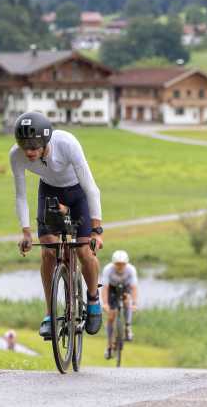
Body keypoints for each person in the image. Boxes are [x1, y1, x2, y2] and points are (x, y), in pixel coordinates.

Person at [10, 112, 104, 339]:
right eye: (24, 146)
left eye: (34, 146)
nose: (29, 152)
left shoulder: (67, 143)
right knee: (48, 250)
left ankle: (92, 299)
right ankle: (50, 313)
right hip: (49, 192)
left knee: (83, 250)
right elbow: (21, 196)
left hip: (78, 192)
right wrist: (25, 231)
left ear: (45, 142)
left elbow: (91, 188)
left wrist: (96, 230)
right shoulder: (16, 156)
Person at [101, 250, 138, 360]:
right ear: (113, 263)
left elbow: (134, 288)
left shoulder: (131, 270)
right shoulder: (108, 269)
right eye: (117, 264)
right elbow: (105, 288)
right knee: (111, 316)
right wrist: (105, 304)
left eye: (122, 264)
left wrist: (134, 303)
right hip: (112, 289)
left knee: (127, 302)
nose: (120, 266)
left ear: (126, 264)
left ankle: (127, 326)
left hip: (125, 288)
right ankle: (109, 345)